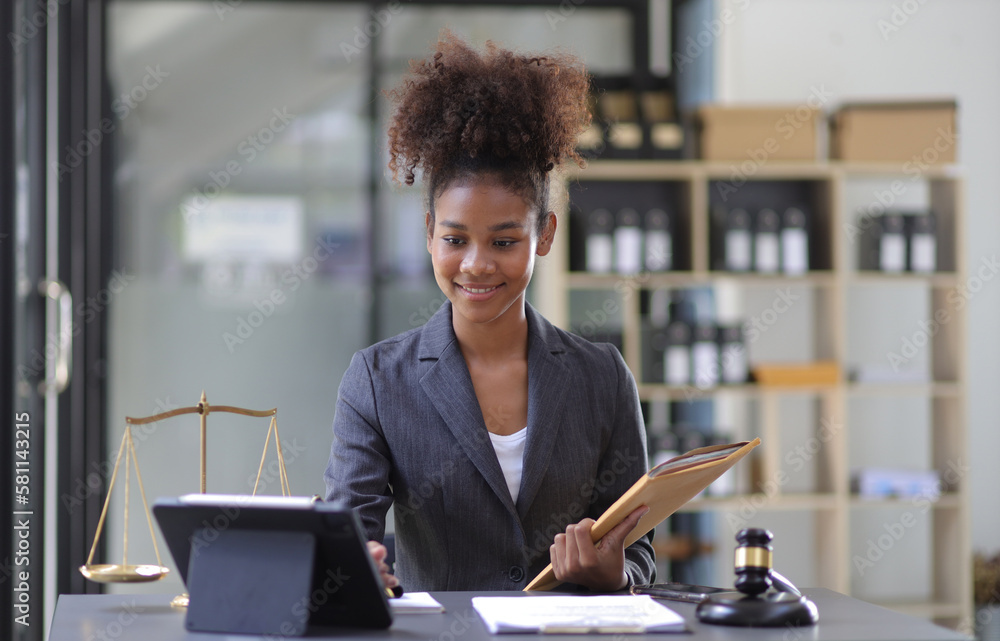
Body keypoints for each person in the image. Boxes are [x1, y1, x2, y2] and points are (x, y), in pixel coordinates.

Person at [324, 31, 654, 593]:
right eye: (456, 240)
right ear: (429, 234)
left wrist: (617, 573)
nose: (476, 266)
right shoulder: (378, 381)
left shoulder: (602, 376)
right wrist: (356, 571)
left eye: (503, 242)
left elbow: (639, 551)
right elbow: (346, 541)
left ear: (543, 235)